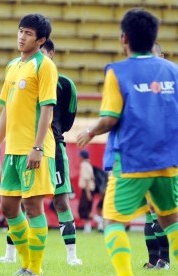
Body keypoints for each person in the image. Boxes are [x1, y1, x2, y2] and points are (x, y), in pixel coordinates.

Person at [77, 8, 178, 275]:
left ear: (124, 38)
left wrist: (90, 133)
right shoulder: (173, 71)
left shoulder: (118, 72)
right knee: (170, 219)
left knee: (111, 221)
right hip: (168, 161)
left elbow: (110, 119)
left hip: (132, 161)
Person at [0, 38, 82, 266]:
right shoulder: (17, 68)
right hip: (16, 147)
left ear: (50, 54)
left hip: (47, 147)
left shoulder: (64, 84)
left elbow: (68, 117)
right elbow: (7, 108)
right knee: (12, 205)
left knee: (54, 201)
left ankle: (65, 257)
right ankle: (15, 256)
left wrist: (42, 142)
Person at [0, 14, 57, 276]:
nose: (21, 36)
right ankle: (27, 264)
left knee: (33, 207)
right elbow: (6, 110)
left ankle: (33, 269)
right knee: (7, 207)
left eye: (28, 33)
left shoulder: (45, 66)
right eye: (20, 31)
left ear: (41, 40)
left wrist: (37, 147)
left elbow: (48, 108)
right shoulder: (13, 65)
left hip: (34, 149)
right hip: (12, 150)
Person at [142, 41, 170, 270]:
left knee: (164, 208)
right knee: (151, 209)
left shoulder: (172, 83)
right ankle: (155, 260)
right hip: (146, 155)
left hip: (168, 155)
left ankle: (166, 259)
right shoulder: (141, 86)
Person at [77, 150, 95, 234]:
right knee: (87, 208)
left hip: (87, 189)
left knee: (83, 209)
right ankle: (89, 226)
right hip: (90, 189)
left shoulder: (84, 165)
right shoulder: (89, 164)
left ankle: (98, 222)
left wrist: (87, 192)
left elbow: (87, 179)